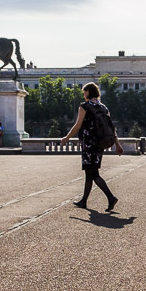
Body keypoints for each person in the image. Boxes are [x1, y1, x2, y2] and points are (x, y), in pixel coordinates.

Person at [61, 81, 124, 211]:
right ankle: (84, 201)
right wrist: (117, 144)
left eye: (84, 92)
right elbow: (112, 128)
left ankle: (111, 197)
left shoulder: (84, 106)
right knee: (89, 173)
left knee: (94, 174)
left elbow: (77, 126)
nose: (83, 94)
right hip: (100, 144)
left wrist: (67, 137)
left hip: (89, 144)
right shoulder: (104, 107)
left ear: (88, 92)